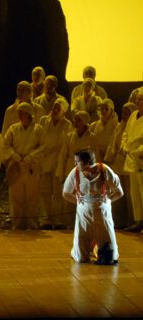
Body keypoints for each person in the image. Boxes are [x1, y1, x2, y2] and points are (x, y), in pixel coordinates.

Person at [62, 149, 123, 265]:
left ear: (87, 162)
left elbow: (119, 192)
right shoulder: (75, 172)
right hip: (83, 213)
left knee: (110, 256)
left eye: (77, 162)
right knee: (80, 258)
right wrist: (79, 203)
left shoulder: (104, 170)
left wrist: (107, 201)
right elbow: (65, 193)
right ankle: (85, 250)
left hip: (102, 212)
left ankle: (101, 250)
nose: (75, 164)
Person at [3, 102, 46, 230]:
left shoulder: (38, 129)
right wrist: (15, 156)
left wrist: (30, 157)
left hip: (31, 167)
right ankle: (17, 225)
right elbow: (6, 145)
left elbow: (44, 146)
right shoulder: (13, 128)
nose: (20, 116)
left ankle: (32, 225)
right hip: (16, 166)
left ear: (29, 114)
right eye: (19, 113)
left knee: (32, 198)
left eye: (22, 113)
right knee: (16, 197)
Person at [38, 98, 73, 229]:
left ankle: (59, 219)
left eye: (59, 108)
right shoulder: (43, 121)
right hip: (45, 159)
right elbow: (40, 139)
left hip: (58, 161)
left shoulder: (67, 124)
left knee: (58, 191)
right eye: (54, 107)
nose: (55, 110)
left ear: (63, 111)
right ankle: (46, 219)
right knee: (44, 191)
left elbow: (66, 144)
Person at [105, 102, 137, 229]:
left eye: (126, 113)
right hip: (118, 164)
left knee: (130, 196)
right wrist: (108, 159)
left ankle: (132, 220)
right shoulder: (119, 126)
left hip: (129, 164)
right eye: (122, 113)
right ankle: (119, 221)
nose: (124, 115)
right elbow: (113, 144)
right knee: (118, 194)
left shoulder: (133, 128)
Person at [121, 88, 143, 232]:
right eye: (137, 99)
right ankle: (139, 220)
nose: (137, 101)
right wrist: (124, 147)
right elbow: (126, 134)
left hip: (141, 158)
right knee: (134, 192)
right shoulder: (134, 115)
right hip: (130, 158)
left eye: (140, 99)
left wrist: (139, 151)